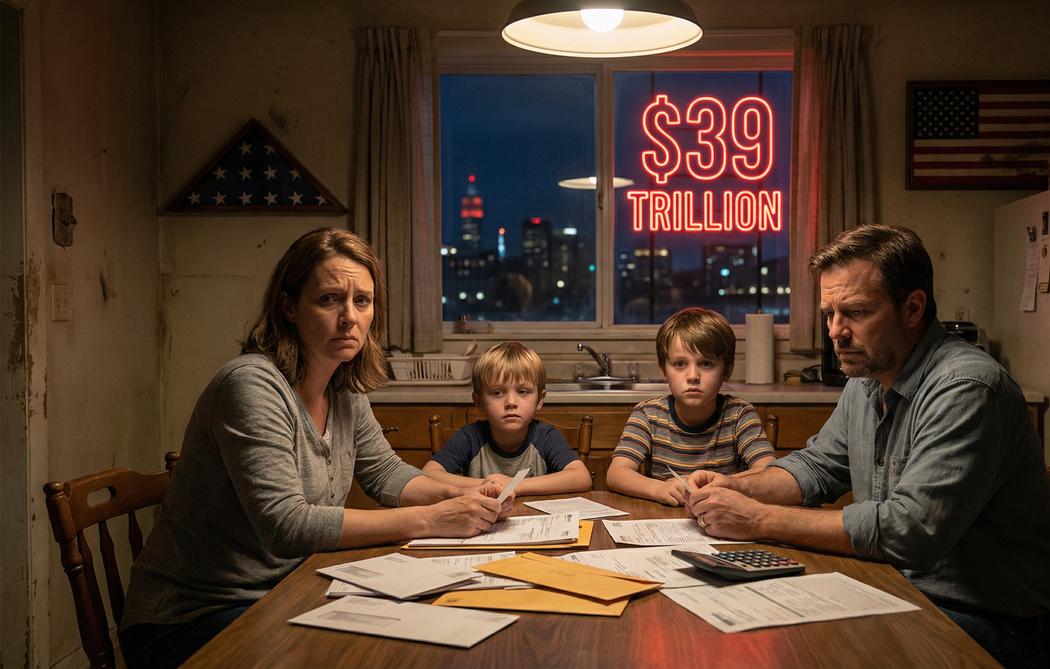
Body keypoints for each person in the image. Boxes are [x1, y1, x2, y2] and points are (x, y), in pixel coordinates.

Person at [119, 228, 511, 669]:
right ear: (289, 307)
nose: (349, 317)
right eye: (329, 300)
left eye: (362, 301)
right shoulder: (250, 385)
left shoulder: (343, 388)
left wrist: (469, 492)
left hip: (287, 590)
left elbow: (386, 474)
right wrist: (431, 520)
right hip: (191, 620)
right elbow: (286, 526)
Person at [686, 225, 1050, 668]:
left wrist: (758, 519)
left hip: (990, 621)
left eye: (855, 312)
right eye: (829, 313)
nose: (836, 332)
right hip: (899, 588)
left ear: (912, 308)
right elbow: (819, 466)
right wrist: (738, 487)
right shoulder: (870, 375)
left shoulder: (966, 388)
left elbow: (910, 531)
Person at [607, 307, 776, 505]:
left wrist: (727, 484)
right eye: (680, 364)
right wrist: (658, 488)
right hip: (662, 522)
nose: (693, 376)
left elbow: (768, 471)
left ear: (727, 370)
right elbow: (616, 473)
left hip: (723, 518)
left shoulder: (739, 414)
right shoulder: (648, 414)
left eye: (706, 364)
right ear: (663, 369)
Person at [422, 342, 592, 495]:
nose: (511, 402)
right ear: (479, 401)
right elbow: (429, 474)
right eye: (497, 393)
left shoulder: (545, 437)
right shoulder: (470, 437)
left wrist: (513, 485)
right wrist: (485, 485)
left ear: (540, 400)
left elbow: (581, 477)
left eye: (522, 391)